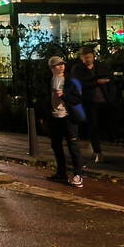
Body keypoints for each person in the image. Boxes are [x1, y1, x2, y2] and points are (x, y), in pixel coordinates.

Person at [43, 56, 84, 187]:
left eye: (62, 64)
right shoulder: (49, 80)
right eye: (57, 65)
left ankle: (78, 174)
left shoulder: (70, 80)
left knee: (73, 146)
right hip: (54, 117)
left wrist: (64, 95)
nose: (61, 66)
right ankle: (61, 173)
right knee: (56, 146)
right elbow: (45, 98)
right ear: (51, 68)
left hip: (68, 117)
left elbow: (78, 98)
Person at [70, 45, 112, 163]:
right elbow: (78, 84)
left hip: (103, 99)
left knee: (102, 124)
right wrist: (96, 82)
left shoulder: (99, 66)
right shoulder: (77, 69)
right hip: (88, 101)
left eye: (90, 57)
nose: (88, 59)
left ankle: (99, 146)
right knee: (93, 125)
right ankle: (97, 151)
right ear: (81, 58)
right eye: (85, 57)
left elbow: (108, 79)